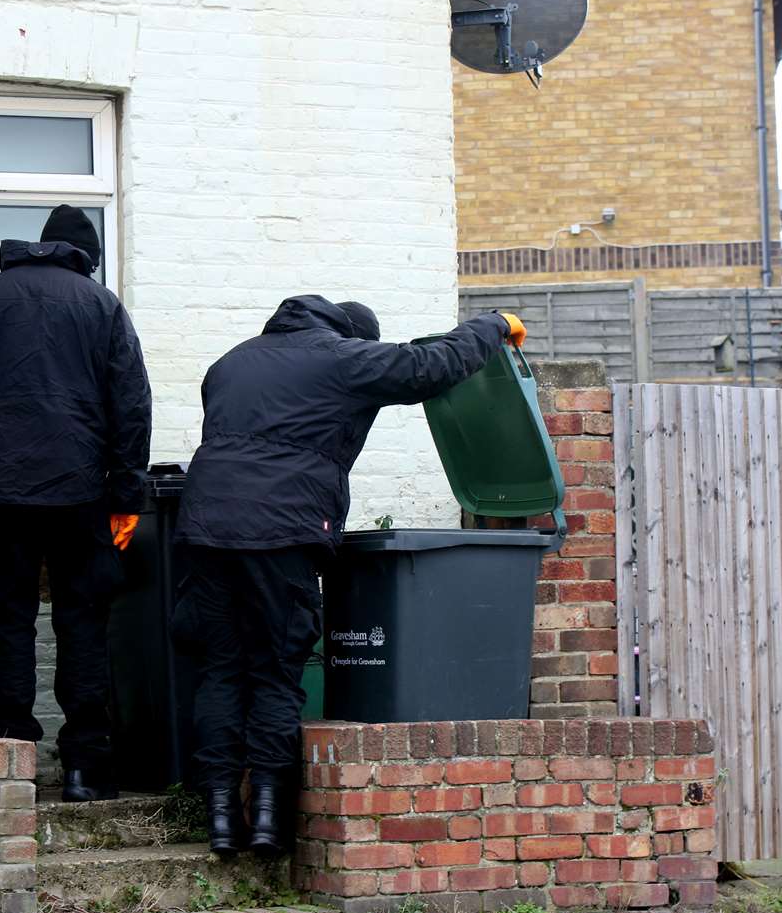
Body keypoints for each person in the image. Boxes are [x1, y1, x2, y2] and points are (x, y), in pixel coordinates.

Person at [171, 294, 525, 854]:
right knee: (275, 670)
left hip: (204, 527)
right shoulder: (342, 357)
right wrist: (491, 325)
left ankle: (219, 819)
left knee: (220, 669)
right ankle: (266, 819)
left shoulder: (232, 362)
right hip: (281, 530)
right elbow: (425, 369)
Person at [0, 205, 152, 803]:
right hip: (83, 495)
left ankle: (10, 757)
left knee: (7, 622)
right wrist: (126, 496)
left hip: (0, 495)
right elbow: (132, 406)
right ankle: (85, 766)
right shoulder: (102, 307)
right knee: (83, 622)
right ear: (85, 259)